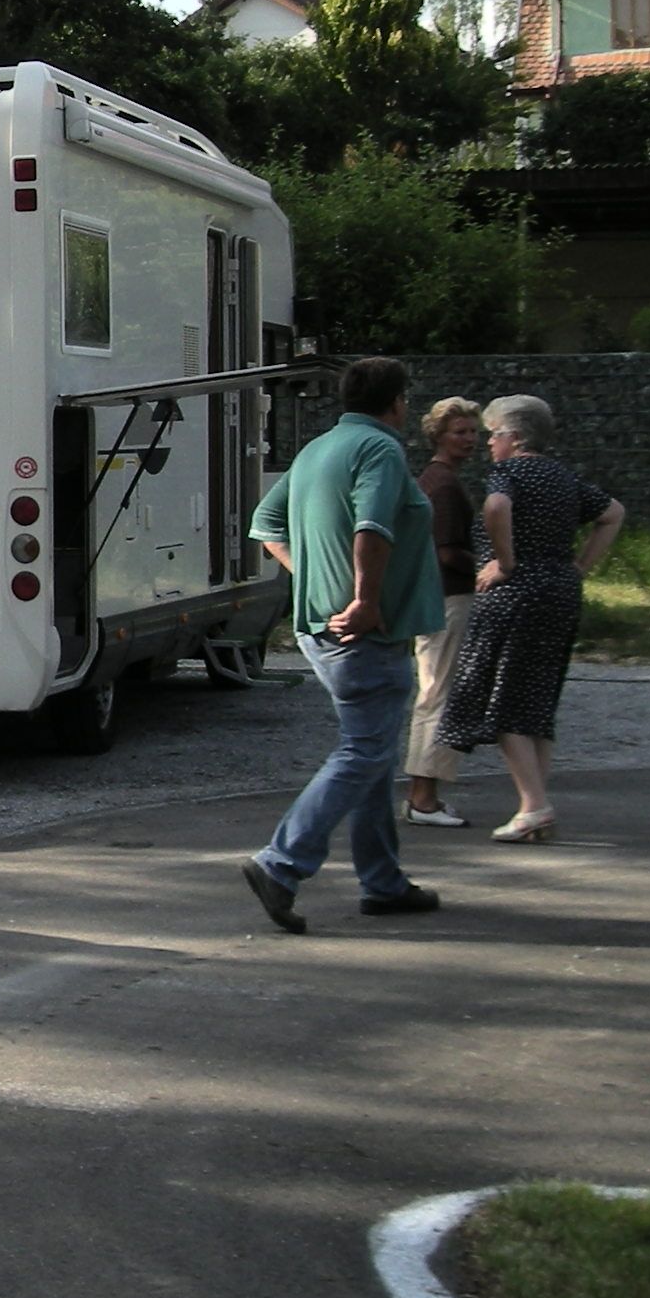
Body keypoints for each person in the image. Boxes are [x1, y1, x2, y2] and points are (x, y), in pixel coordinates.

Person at [237, 356, 444, 936]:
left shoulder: (317, 450)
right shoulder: (379, 450)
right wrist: (364, 598)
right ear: (398, 401)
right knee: (364, 752)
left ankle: (382, 882)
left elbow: (264, 521)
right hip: (365, 631)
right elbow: (372, 527)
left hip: (319, 629)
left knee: (371, 752)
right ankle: (281, 863)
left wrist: (312, 576)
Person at [434, 394, 627, 844]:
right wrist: (578, 566)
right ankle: (536, 800)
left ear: (514, 438)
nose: (488, 445)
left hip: (515, 595)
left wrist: (504, 562)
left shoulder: (509, 472)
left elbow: (496, 508)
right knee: (537, 700)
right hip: (559, 590)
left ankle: (533, 805)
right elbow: (613, 513)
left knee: (506, 700)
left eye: (493, 435)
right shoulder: (562, 476)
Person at [402, 396, 485, 830]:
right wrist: (496, 568)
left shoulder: (435, 479)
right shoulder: (445, 486)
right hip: (450, 599)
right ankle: (423, 797)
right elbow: (448, 551)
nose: (469, 440)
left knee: (434, 692)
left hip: (438, 599)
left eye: (473, 432)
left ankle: (424, 793)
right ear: (439, 435)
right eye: (460, 432)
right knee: (438, 695)